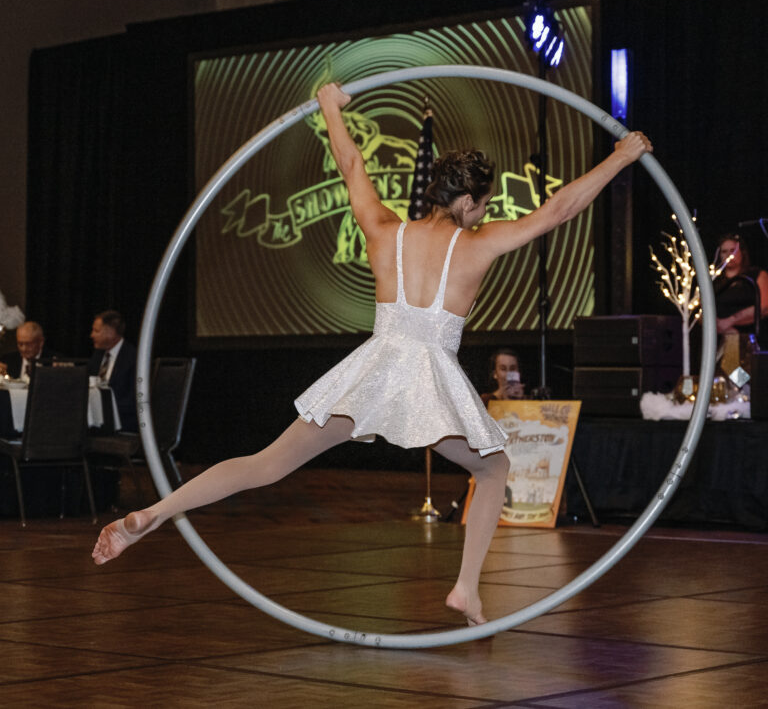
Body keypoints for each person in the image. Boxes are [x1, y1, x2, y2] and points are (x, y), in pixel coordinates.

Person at [92, 83, 652, 626]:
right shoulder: (479, 244)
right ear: (465, 201)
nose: (484, 213)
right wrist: (620, 158)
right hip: (428, 376)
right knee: (495, 466)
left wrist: (330, 106)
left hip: (375, 370)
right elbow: (558, 211)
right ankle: (465, 587)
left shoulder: (385, 229)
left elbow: (352, 165)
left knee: (268, 463)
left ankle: (156, 514)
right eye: (482, 204)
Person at [87, 310, 138, 433]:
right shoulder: (98, 355)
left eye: (96, 331)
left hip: (123, 423)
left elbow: (135, 400)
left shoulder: (133, 358)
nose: (91, 335)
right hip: (97, 420)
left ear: (111, 332)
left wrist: (106, 411)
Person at [713, 234, 768, 342]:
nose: (729, 255)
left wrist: (730, 321)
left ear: (741, 252)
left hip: (752, 338)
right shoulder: (715, 281)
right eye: (724, 251)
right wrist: (720, 326)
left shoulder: (756, 275)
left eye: (733, 250)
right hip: (719, 339)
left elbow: (764, 307)